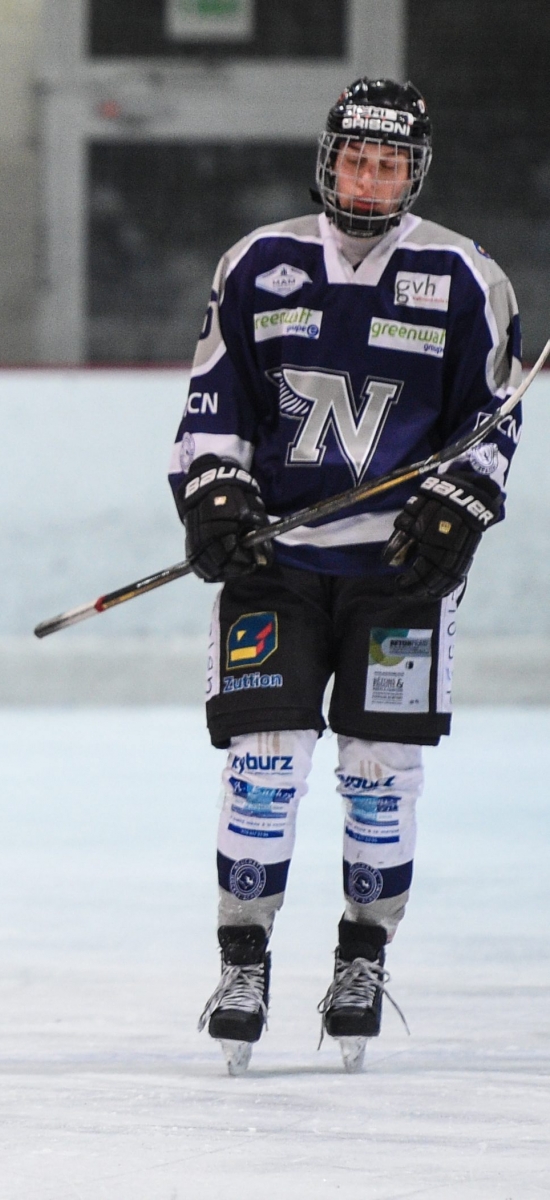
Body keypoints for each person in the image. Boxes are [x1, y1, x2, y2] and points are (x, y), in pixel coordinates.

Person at [180, 79, 522, 1074]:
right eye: (354, 159)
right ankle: (241, 958)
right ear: (326, 159)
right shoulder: (257, 264)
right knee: (262, 765)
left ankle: (360, 956)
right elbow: (212, 403)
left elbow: (489, 424)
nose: (367, 179)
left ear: (413, 172)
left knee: (379, 777)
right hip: (276, 563)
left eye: (388, 163)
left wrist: (458, 504)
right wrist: (213, 498)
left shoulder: (464, 278)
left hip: (397, 574)